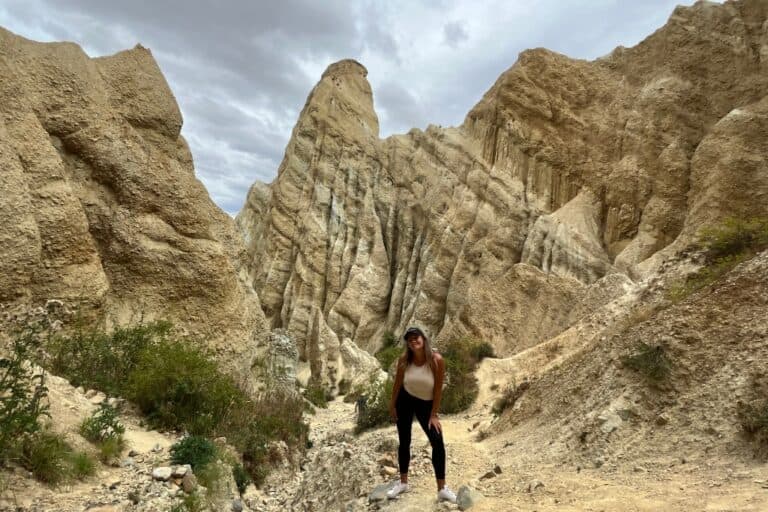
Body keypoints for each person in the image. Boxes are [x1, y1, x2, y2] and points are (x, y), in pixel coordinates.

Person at [386, 326, 457, 503]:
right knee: (404, 441)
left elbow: (438, 389)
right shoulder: (404, 360)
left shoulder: (436, 360)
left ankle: (442, 489)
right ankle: (403, 483)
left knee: (437, 442)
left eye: (416, 337)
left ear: (423, 339)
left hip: (426, 404)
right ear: (408, 344)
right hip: (405, 399)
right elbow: (397, 384)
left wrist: (434, 414)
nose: (413, 341)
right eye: (409, 339)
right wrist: (392, 405)